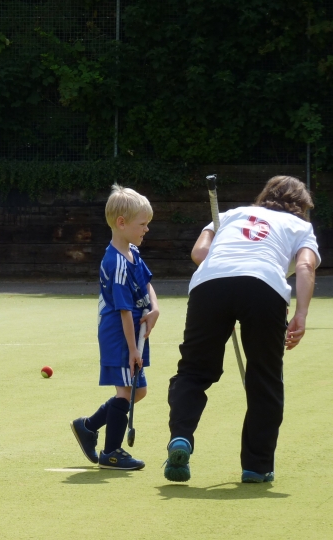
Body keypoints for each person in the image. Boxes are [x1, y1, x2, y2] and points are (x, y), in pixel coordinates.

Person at [164, 175, 320, 484]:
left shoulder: (229, 215)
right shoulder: (301, 228)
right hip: (265, 288)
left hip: (210, 285)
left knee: (193, 372)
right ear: (301, 206)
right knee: (264, 378)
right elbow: (305, 267)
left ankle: (181, 436)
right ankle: (257, 466)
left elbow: (199, 254)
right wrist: (301, 314)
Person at [70, 185, 160, 470]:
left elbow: (146, 282)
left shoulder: (132, 252)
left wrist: (154, 308)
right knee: (126, 392)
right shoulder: (116, 262)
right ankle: (111, 452)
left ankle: (88, 426)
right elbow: (123, 311)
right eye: (142, 224)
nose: (146, 230)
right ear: (122, 224)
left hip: (134, 330)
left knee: (138, 391)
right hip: (121, 335)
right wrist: (133, 349)